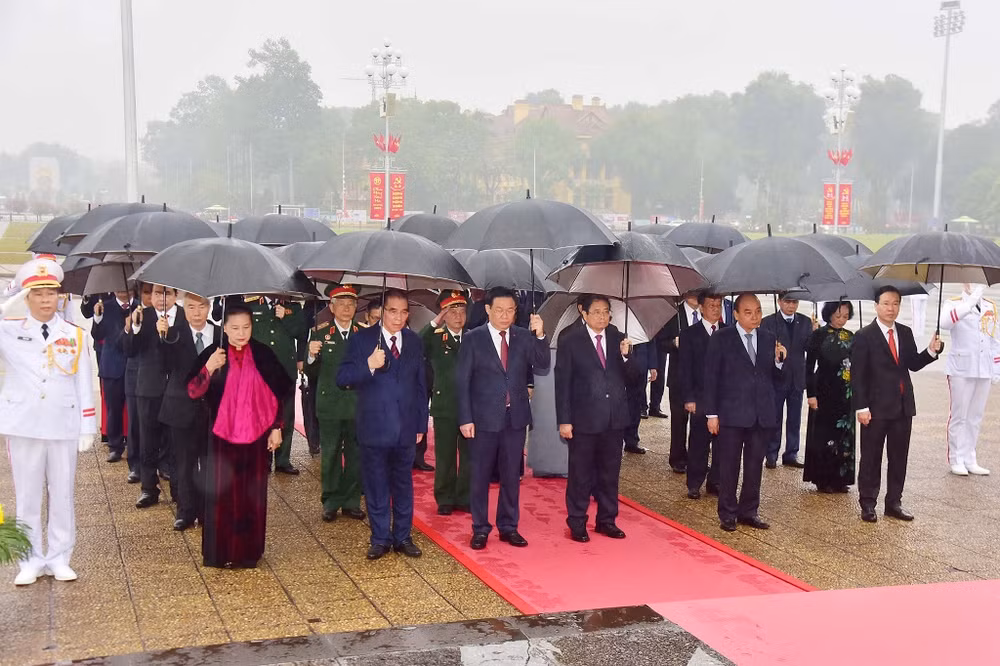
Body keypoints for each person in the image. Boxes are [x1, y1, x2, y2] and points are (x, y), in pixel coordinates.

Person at [1, 257, 96, 585]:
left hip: (62, 424)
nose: (45, 300)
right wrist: (8, 300)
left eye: (51, 293)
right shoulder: (9, 331)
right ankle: (29, 560)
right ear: (26, 298)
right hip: (23, 426)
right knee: (26, 497)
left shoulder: (74, 334)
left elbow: (83, 381)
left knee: (62, 494)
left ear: (60, 296)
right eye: (37, 294)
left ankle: (59, 557)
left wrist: (87, 426)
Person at [186, 303, 292, 568]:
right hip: (221, 437)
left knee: (251, 496)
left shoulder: (263, 354)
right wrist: (209, 368)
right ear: (224, 328)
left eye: (246, 327)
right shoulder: (214, 353)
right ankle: (219, 553)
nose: (241, 333)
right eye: (234, 328)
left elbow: (280, 391)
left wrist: (277, 427)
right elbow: (192, 391)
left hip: (256, 438)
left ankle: (247, 553)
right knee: (220, 495)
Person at [457, 286, 549, 551]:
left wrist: (540, 335)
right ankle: (480, 528)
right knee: (480, 476)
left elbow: (542, 363)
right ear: (488, 309)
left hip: (514, 417)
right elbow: (462, 381)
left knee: (511, 475)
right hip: (483, 419)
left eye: (510, 310)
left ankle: (508, 526)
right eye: (499, 310)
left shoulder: (523, 336)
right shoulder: (473, 338)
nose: (505, 315)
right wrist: (465, 418)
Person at [337, 290, 427, 560]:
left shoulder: (414, 341)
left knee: (403, 485)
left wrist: (421, 424)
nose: (398, 317)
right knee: (376, 486)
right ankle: (380, 538)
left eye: (403, 312)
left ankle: (403, 537)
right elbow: (342, 377)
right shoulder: (362, 339)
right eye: (392, 311)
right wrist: (369, 365)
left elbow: (421, 385)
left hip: (406, 428)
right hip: (374, 427)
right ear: (382, 312)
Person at [852, 285, 942, 523]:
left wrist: (931, 351)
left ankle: (894, 503)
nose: (891, 309)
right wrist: (861, 407)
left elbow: (913, 363)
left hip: (902, 406)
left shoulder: (905, 331)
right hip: (875, 408)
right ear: (876, 306)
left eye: (895, 304)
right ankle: (868, 503)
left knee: (899, 457)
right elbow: (858, 375)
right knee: (871, 458)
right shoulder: (864, 335)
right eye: (886, 304)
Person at [555, 294, 636, 542]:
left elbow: (634, 378)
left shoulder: (617, 337)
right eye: (597, 312)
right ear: (584, 313)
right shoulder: (571, 340)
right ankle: (577, 521)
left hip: (614, 418)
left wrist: (627, 357)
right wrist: (564, 420)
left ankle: (607, 520)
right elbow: (563, 383)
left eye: (606, 311)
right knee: (580, 474)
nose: (602, 316)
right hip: (583, 419)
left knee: (610, 474)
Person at [703, 293, 786, 532]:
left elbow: (776, 378)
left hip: (761, 414)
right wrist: (711, 414)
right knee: (729, 466)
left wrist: (779, 361)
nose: (755, 317)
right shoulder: (722, 338)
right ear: (736, 314)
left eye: (758, 311)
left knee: (754, 466)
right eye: (748, 312)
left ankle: (749, 511)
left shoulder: (769, 338)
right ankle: (727, 512)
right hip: (731, 413)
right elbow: (711, 377)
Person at [306, 284, 365, 523]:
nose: (346, 308)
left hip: (356, 404)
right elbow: (311, 372)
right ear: (331, 308)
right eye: (341, 304)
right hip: (330, 403)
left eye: (351, 304)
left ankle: (351, 501)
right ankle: (330, 501)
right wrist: (311, 355)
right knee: (330, 454)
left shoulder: (364, 333)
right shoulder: (319, 333)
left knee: (355, 455)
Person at [160, 293, 219, 531]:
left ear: (209, 307)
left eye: (201, 307)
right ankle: (185, 511)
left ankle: (207, 511)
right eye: (191, 307)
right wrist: (162, 337)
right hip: (181, 407)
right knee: (184, 463)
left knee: (209, 462)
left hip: (212, 409)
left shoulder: (220, 334)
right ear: (183, 309)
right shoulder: (173, 334)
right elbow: (164, 365)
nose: (196, 312)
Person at [126, 284, 184, 508]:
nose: (161, 298)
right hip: (148, 388)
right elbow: (129, 349)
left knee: (176, 442)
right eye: (157, 293)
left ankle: (179, 490)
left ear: (176, 295)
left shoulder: (184, 316)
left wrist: (169, 333)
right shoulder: (143, 315)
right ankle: (149, 488)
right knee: (148, 441)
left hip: (176, 389)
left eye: (167, 293)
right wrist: (135, 327)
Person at [939, 283, 999, 476]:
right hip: (961, 368)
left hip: (984, 367)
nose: (973, 284)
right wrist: (969, 303)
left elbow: (995, 339)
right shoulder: (953, 303)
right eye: (970, 280)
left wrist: (996, 368)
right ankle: (956, 458)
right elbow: (945, 323)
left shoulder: (990, 306)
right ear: (963, 282)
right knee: (959, 416)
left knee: (975, 417)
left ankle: (970, 457)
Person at [242, 296, 307, 475]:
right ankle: (263, 459)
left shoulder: (293, 307)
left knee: (286, 416)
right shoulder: (250, 305)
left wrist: (285, 317)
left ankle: (283, 460)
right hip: (260, 370)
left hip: (285, 369)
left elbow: (302, 333)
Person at [421, 290, 471, 515]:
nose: (458, 316)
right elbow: (417, 344)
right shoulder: (435, 337)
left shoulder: (473, 337)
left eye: (462, 311)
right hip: (445, 405)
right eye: (452, 312)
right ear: (443, 314)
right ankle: (445, 498)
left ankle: (465, 497)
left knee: (469, 455)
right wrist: (435, 321)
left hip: (469, 406)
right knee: (445, 455)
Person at [803, 301, 856, 493]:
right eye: (838, 315)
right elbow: (809, 367)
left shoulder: (851, 336)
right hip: (824, 390)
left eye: (845, 316)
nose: (841, 320)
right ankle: (823, 478)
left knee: (844, 435)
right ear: (829, 313)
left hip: (845, 392)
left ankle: (841, 478)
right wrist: (811, 394)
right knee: (824, 434)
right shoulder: (818, 335)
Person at [678, 292, 725, 500]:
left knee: (722, 443)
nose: (715, 309)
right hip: (699, 396)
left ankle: (716, 481)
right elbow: (684, 369)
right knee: (699, 441)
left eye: (718, 305)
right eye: (711, 305)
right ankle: (694, 483)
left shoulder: (728, 332)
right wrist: (689, 397)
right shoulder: (689, 334)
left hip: (724, 398)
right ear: (702, 308)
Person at [761, 293, 814, 469]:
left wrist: (816, 334)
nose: (791, 306)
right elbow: (763, 349)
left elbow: (809, 348)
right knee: (775, 417)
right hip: (777, 377)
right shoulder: (768, 322)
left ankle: (791, 453)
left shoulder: (805, 322)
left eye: (794, 302)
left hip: (797, 377)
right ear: (779, 302)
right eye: (787, 302)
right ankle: (771, 454)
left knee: (795, 418)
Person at [657, 291, 701, 472]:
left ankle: (697, 459)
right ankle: (678, 459)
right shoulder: (673, 315)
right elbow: (660, 342)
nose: (695, 295)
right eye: (692, 291)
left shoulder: (707, 312)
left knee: (699, 423)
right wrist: (674, 343)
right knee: (679, 421)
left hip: (701, 378)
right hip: (678, 376)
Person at [92, 291, 134, 464]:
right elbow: (97, 335)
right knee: (113, 409)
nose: (123, 290)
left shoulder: (140, 307)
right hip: (111, 365)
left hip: (134, 365)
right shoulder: (105, 307)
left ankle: (135, 448)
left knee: (135, 412)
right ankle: (115, 446)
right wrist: (97, 317)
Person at [122, 283, 153, 484]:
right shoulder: (135, 315)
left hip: (159, 379)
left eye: (155, 292)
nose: (150, 297)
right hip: (136, 376)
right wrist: (131, 327)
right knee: (135, 423)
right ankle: (135, 465)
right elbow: (125, 348)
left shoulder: (168, 316)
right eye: (146, 293)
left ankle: (162, 464)